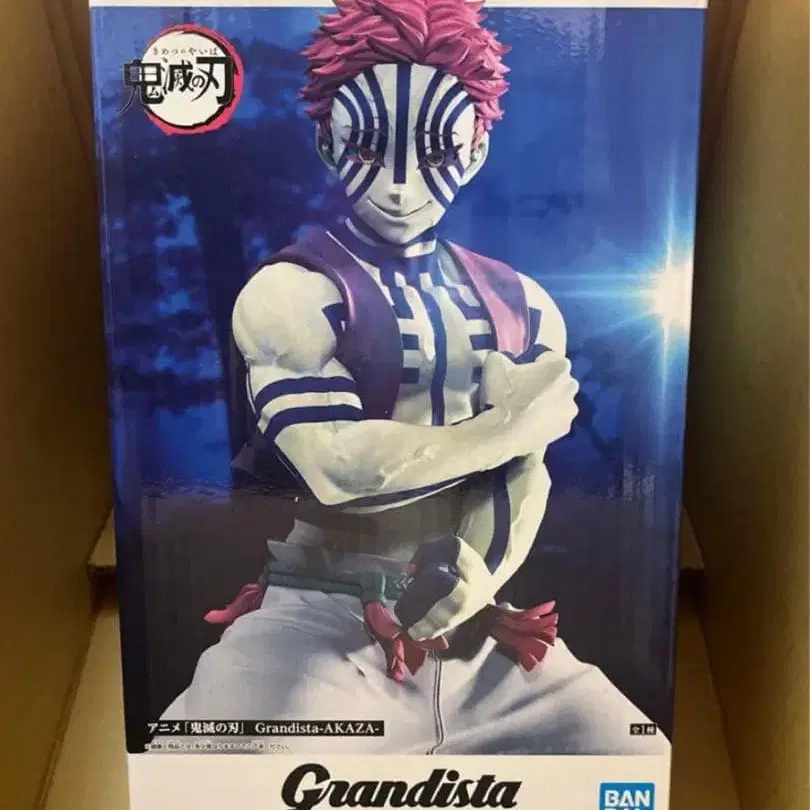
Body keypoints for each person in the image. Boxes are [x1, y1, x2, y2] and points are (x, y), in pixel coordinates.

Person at [163, 0, 669, 756]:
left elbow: (524, 475)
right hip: (319, 617)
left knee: (633, 757)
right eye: (371, 142)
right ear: (329, 141)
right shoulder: (293, 291)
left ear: (477, 149)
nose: (400, 184)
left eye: (435, 146)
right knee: (227, 772)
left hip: (478, 629)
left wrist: (483, 570)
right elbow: (339, 470)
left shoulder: (522, 302)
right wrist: (510, 425)